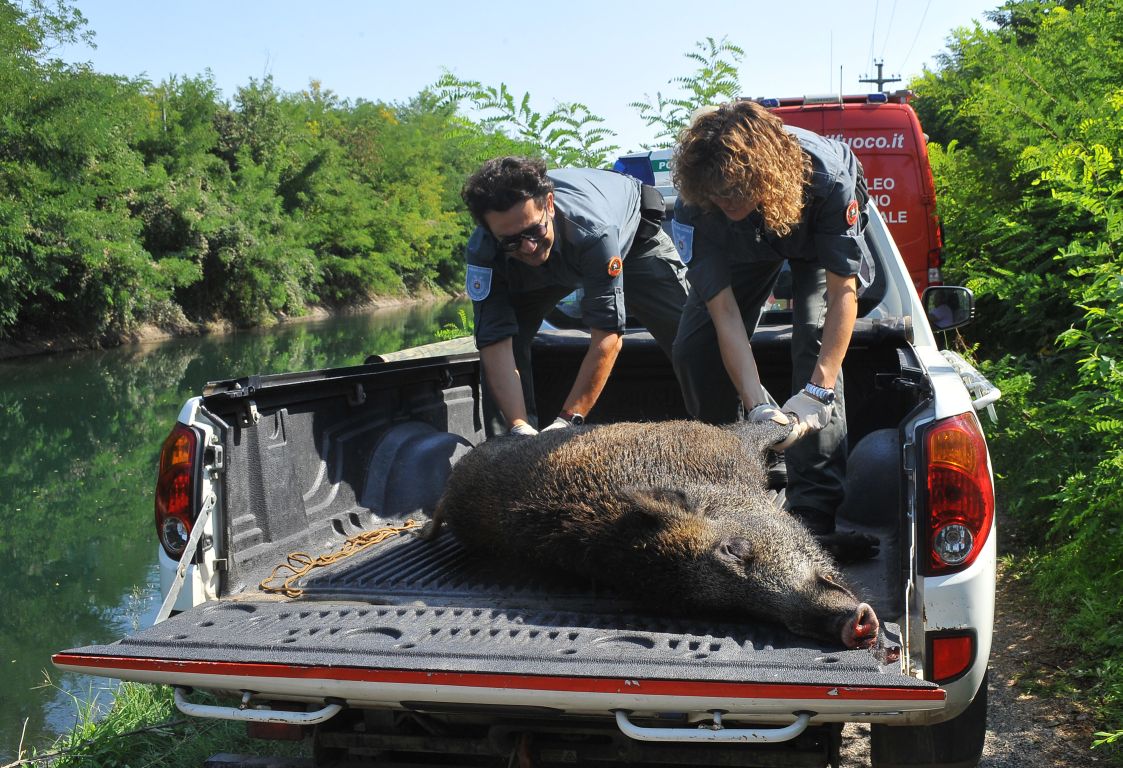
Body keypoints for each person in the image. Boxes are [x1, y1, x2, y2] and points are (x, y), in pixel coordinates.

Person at [668, 100, 877, 559]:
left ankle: (813, 515)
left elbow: (843, 293)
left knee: (814, 340)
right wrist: (756, 405)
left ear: (762, 175)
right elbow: (724, 313)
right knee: (694, 349)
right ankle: (729, 482)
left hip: (811, 239)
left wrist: (816, 394)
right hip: (746, 249)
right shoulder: (697, 205)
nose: (725, 202)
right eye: (716, 196)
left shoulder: (827, 179)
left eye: (734, 192)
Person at [461, 156, 689, 436]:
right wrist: (518, 426)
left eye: (534, 230)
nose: (529, 246)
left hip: (635, 241)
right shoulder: (485, 251)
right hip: (539, 268)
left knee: (693, 339)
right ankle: (510, 447)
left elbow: (607, 337)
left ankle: (726, 425)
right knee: (506, 339)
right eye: (511, 240)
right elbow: (495, 344)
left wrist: (567, 420)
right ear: (490, 232)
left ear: (549, 204)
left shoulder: (594, 230)